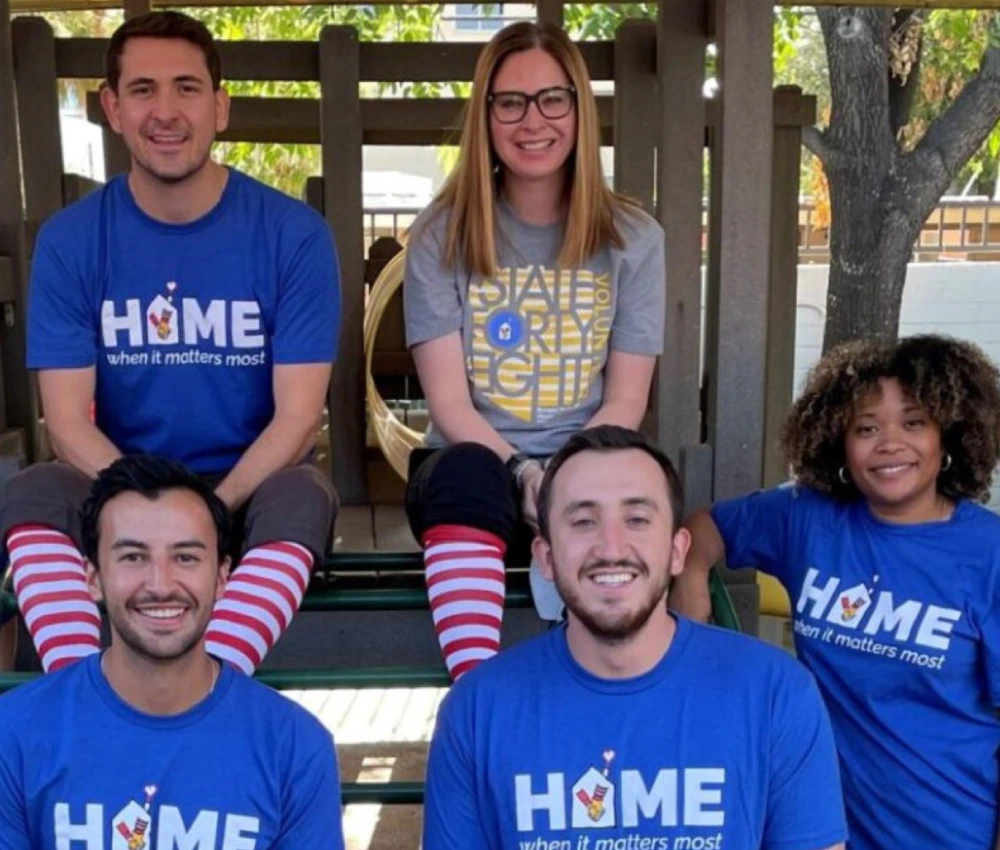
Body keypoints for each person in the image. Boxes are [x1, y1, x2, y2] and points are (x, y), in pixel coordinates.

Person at [1, 11, 340, 675]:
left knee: (305, 494)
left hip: (244, 488)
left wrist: (208, 510)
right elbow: (66, 422)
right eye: (143, 90)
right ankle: (82, 691)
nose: (165, 111)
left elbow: (299, 418)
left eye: (186, 89)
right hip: (117, 477)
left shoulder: (292, 234)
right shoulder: (73, 241)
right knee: (35, 489)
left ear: (220, 107)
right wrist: (143, 508)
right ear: (112, 107)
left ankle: (210, 687)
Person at [422, 425, 848, 850]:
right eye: (583, 521)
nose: (611, 547)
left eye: (637, 519)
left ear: (677, 551)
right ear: (546, 558)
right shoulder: (477, 710)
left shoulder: (777, 694)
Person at [404, 21, 666, 679]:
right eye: (510, 101)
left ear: (579, 109)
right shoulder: (440, 236)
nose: (532, 120)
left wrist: (565, 482)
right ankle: (477, 693)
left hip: (586, 462)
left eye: (553, 99)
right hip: (476, 473)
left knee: (632, 490)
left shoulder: (634, 238)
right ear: (486, 115)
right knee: (465, 469)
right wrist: (525, 472)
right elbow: (449, 405)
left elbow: (627, 398)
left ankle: (611, 695)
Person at [671, 334, 1000, 850]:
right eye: (866, 428)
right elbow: (706, 528)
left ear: (949, 434)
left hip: (953, 830)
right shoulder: (808, 518)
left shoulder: (989, 555)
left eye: (914, 423)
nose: (890, 443)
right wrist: (690, 583)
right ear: (838, 440)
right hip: (828, 833)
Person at [0, 455, 345, 850]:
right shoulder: (12, 735)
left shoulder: (295, 745)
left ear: (221, 578)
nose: (160, 584)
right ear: (92, 578)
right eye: (133, 557)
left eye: (185, 558)